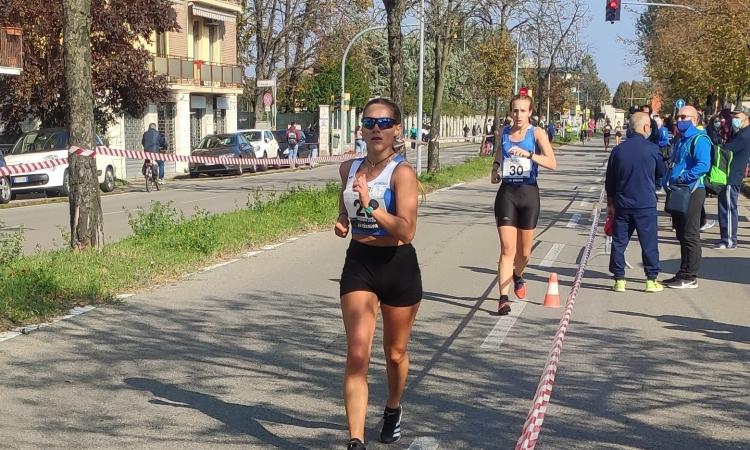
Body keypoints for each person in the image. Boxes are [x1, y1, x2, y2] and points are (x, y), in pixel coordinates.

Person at [335, 98, 422, 450]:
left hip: (398, 266)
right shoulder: (348, 168)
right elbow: (345, 207)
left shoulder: (403, 173)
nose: (376, 128)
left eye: (384, 123)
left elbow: (407, 229)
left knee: (395, 354)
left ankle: (392, 407)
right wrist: (343, 221)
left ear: (396, 129)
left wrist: (372, 203)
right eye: (369, 122)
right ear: (362, 128)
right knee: (358, 352)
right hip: (360, 264)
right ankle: (356, 440)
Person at [490, 94, 557, 315]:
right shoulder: (504, 132)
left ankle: (518, 275)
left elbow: (552, 163)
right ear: (511, 112)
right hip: (507, 193)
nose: (518, 115)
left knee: (525, 252)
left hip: (528, 194)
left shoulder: (537, 133)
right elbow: (500, 150)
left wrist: (529, 154)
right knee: (507, 249)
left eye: (522, 111)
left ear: (530, 113)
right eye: (515, 110)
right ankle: (502, 299)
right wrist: (495, 167)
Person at [605, 113, 667, 292]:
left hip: (622, 203)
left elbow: (610, 180)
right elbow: (661, 173)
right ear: (646, 127)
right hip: (645, 203)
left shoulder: (618, 150)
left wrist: (610, 203)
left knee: (619, 241)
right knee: (648, 242)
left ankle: (619, 280)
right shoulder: (653, 149)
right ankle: (651, 279)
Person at [664, 105, 711, 289]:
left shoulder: (699, 139)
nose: (680, 120)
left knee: (690, 234)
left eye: (684, 117)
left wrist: (684, 178)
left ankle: (691, 275)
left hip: (692, 190)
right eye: (678, 116)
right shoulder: (681, 139)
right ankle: (682, 272)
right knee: (681, 232)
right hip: (678, 190)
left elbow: (703, 165)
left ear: (695, 119)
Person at [715, 110, 750, 249]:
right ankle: (726, 238)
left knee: (728, 209)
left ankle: (729, 240)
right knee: (724, 208)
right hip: (728, 175)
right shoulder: (740, 133)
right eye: (733, 117)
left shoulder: (744, 135)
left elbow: (727, 149)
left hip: (732, 176)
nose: (735, 120)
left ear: (746, 118)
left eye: (738, 117)